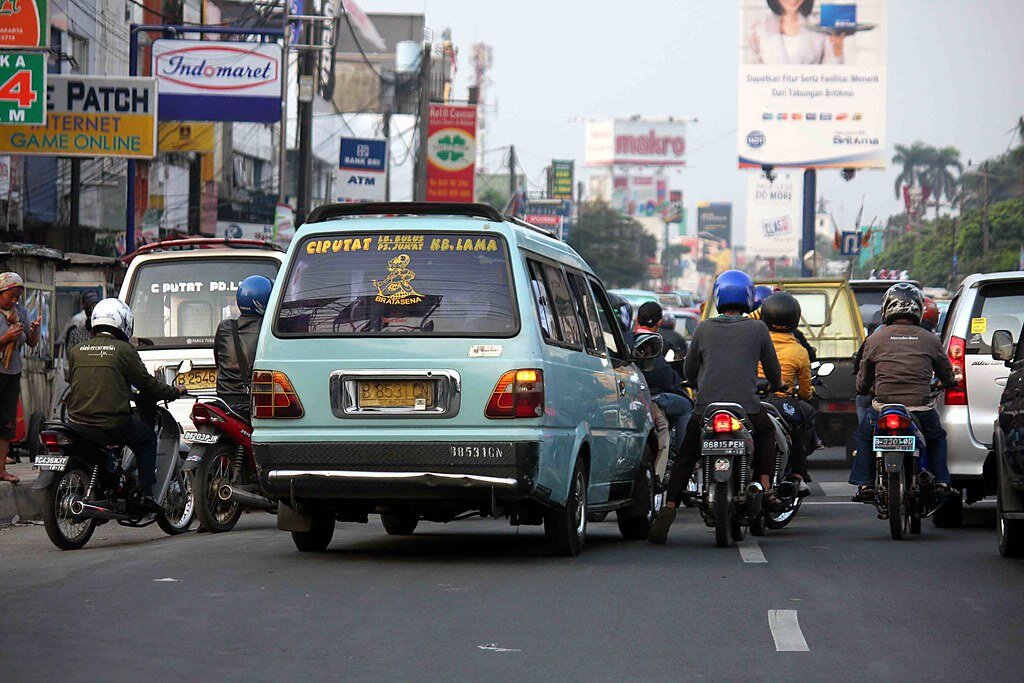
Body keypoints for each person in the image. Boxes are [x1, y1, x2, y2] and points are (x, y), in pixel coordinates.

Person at [648, 270, 782, 544]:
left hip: (706, 409)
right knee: (768, 434)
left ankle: (670, 507)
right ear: (748, 297)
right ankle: (765, 486)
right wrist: (775, 383)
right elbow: (772, 369)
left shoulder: (704, 328)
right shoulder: (758, 329)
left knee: (686, 455)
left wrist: (696, 383)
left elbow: (690, 369)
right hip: (748, 409)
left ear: (719, 296)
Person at [65, 298, 185, 511]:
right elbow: (147, 384)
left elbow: (77, 380)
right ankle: (147, 495)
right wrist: (174, 391)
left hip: (76, 420)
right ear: (124, 322)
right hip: (112, 422)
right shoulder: (125, 350)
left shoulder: (77, 349)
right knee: (147, 439)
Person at [849, 283, 957, 502]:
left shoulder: (875, 339)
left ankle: (865, 483)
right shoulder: (930, 339)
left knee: (863, 435)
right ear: (918, 309)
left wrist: (864, 388)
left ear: (887, 308)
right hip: (921, 409)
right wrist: (947, 382)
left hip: (883, 408)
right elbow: (946, 373)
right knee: (936, 438)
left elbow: (863, 379)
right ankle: (942, 482)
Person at [757, 292, 815, 493]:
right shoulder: (799, 351)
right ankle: (798, 475)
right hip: (782, 403)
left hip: (751, 401)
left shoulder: (755, 341)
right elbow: (806, 392)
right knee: (801, 422)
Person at [636, 302, 693, 481]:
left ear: (637, 320)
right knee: (685, 406)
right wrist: (678, 379)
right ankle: (682, 452)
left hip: (636, 396)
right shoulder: (654, 343)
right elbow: (664, 376)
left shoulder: (626, 339)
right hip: (654, 397)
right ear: (659, 323)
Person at [0, 273, 41, 482]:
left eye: (17, 296)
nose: (15, 300)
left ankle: (1, 470)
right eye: (11, 295)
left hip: (12, 372)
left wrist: (34, 331)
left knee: (7, 422)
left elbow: (31, 343)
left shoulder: (21, 312)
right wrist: (5, 338)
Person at [214, 275, 272, 420]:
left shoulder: (225, 327)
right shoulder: (269, 330)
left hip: (224, 399)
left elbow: (218, 361)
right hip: (251, 400)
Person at [747, 0, 846, 65]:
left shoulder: (820, 24)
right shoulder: (758, 30)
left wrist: (837, 49)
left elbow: (833, 74)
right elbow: (753, 77)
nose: (793, 0)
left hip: (813, 94)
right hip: (773, 94)